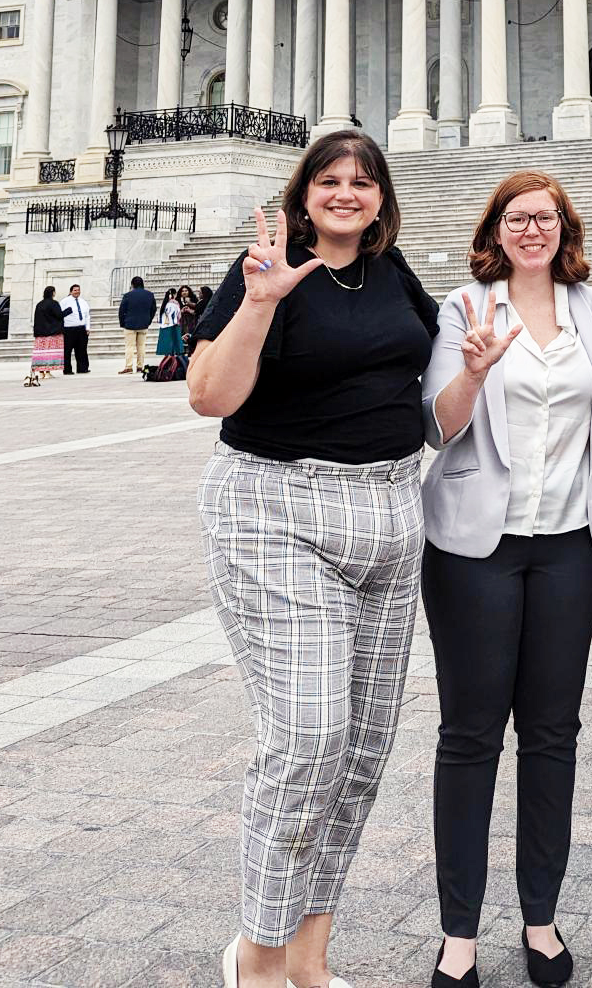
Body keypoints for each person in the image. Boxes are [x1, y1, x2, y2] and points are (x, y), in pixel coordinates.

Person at [188, 133, 438, 988]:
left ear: (380, 198)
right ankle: (255, 955)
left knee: (362, 748)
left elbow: (430, 392)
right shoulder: (265, 269)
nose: (346, 193)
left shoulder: (395, 272)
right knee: (308, 736)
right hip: (277, 508)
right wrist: (259, 302)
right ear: (303, 193)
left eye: (362, 182)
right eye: (330, 179)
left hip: (390, 513)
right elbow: (209, 396)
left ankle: (310, 959)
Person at [420, 170, 592, 988]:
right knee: (469, 738)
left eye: (544, 218)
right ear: (494, 229)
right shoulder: (462, 307)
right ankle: (457, 933)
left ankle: (541, 919)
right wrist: (471, 370)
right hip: (477, 547)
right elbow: (436, 426)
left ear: (563, 229)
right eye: (515, 218)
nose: (530, 230)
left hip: (570, 545)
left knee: (552, 735)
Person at [117, 275, 157, 375]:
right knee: (141, 346)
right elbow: (153, 309)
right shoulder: (150, 295)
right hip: (143, 324)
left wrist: (123, 323)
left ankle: (129, 367)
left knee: (129, 346)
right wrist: (148, 321)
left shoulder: (127, 295)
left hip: (129, 324)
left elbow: (122, 310)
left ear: (132, 284)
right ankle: (140, 366)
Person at [28, 286, 65, 387]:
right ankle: (47, 372)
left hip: (40, 333)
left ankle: (41, 373)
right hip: (52, 332)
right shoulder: (54, 303)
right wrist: (68, 311)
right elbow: (59, 315)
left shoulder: (39, 304)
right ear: (53, 293)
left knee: (41, 353)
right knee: (49, 353)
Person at [61, 283, 91, 375]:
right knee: (67, 350)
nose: (77, 292)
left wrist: (87, 327)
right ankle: (67, 369)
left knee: (82, 349)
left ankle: (82, 368)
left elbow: (87, 316)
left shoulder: (83, 301)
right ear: (70, 291)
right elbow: (60, 315)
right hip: (69, 329)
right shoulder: (64, 301)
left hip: (81, 329)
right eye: (75, 290)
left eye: (78, 290)